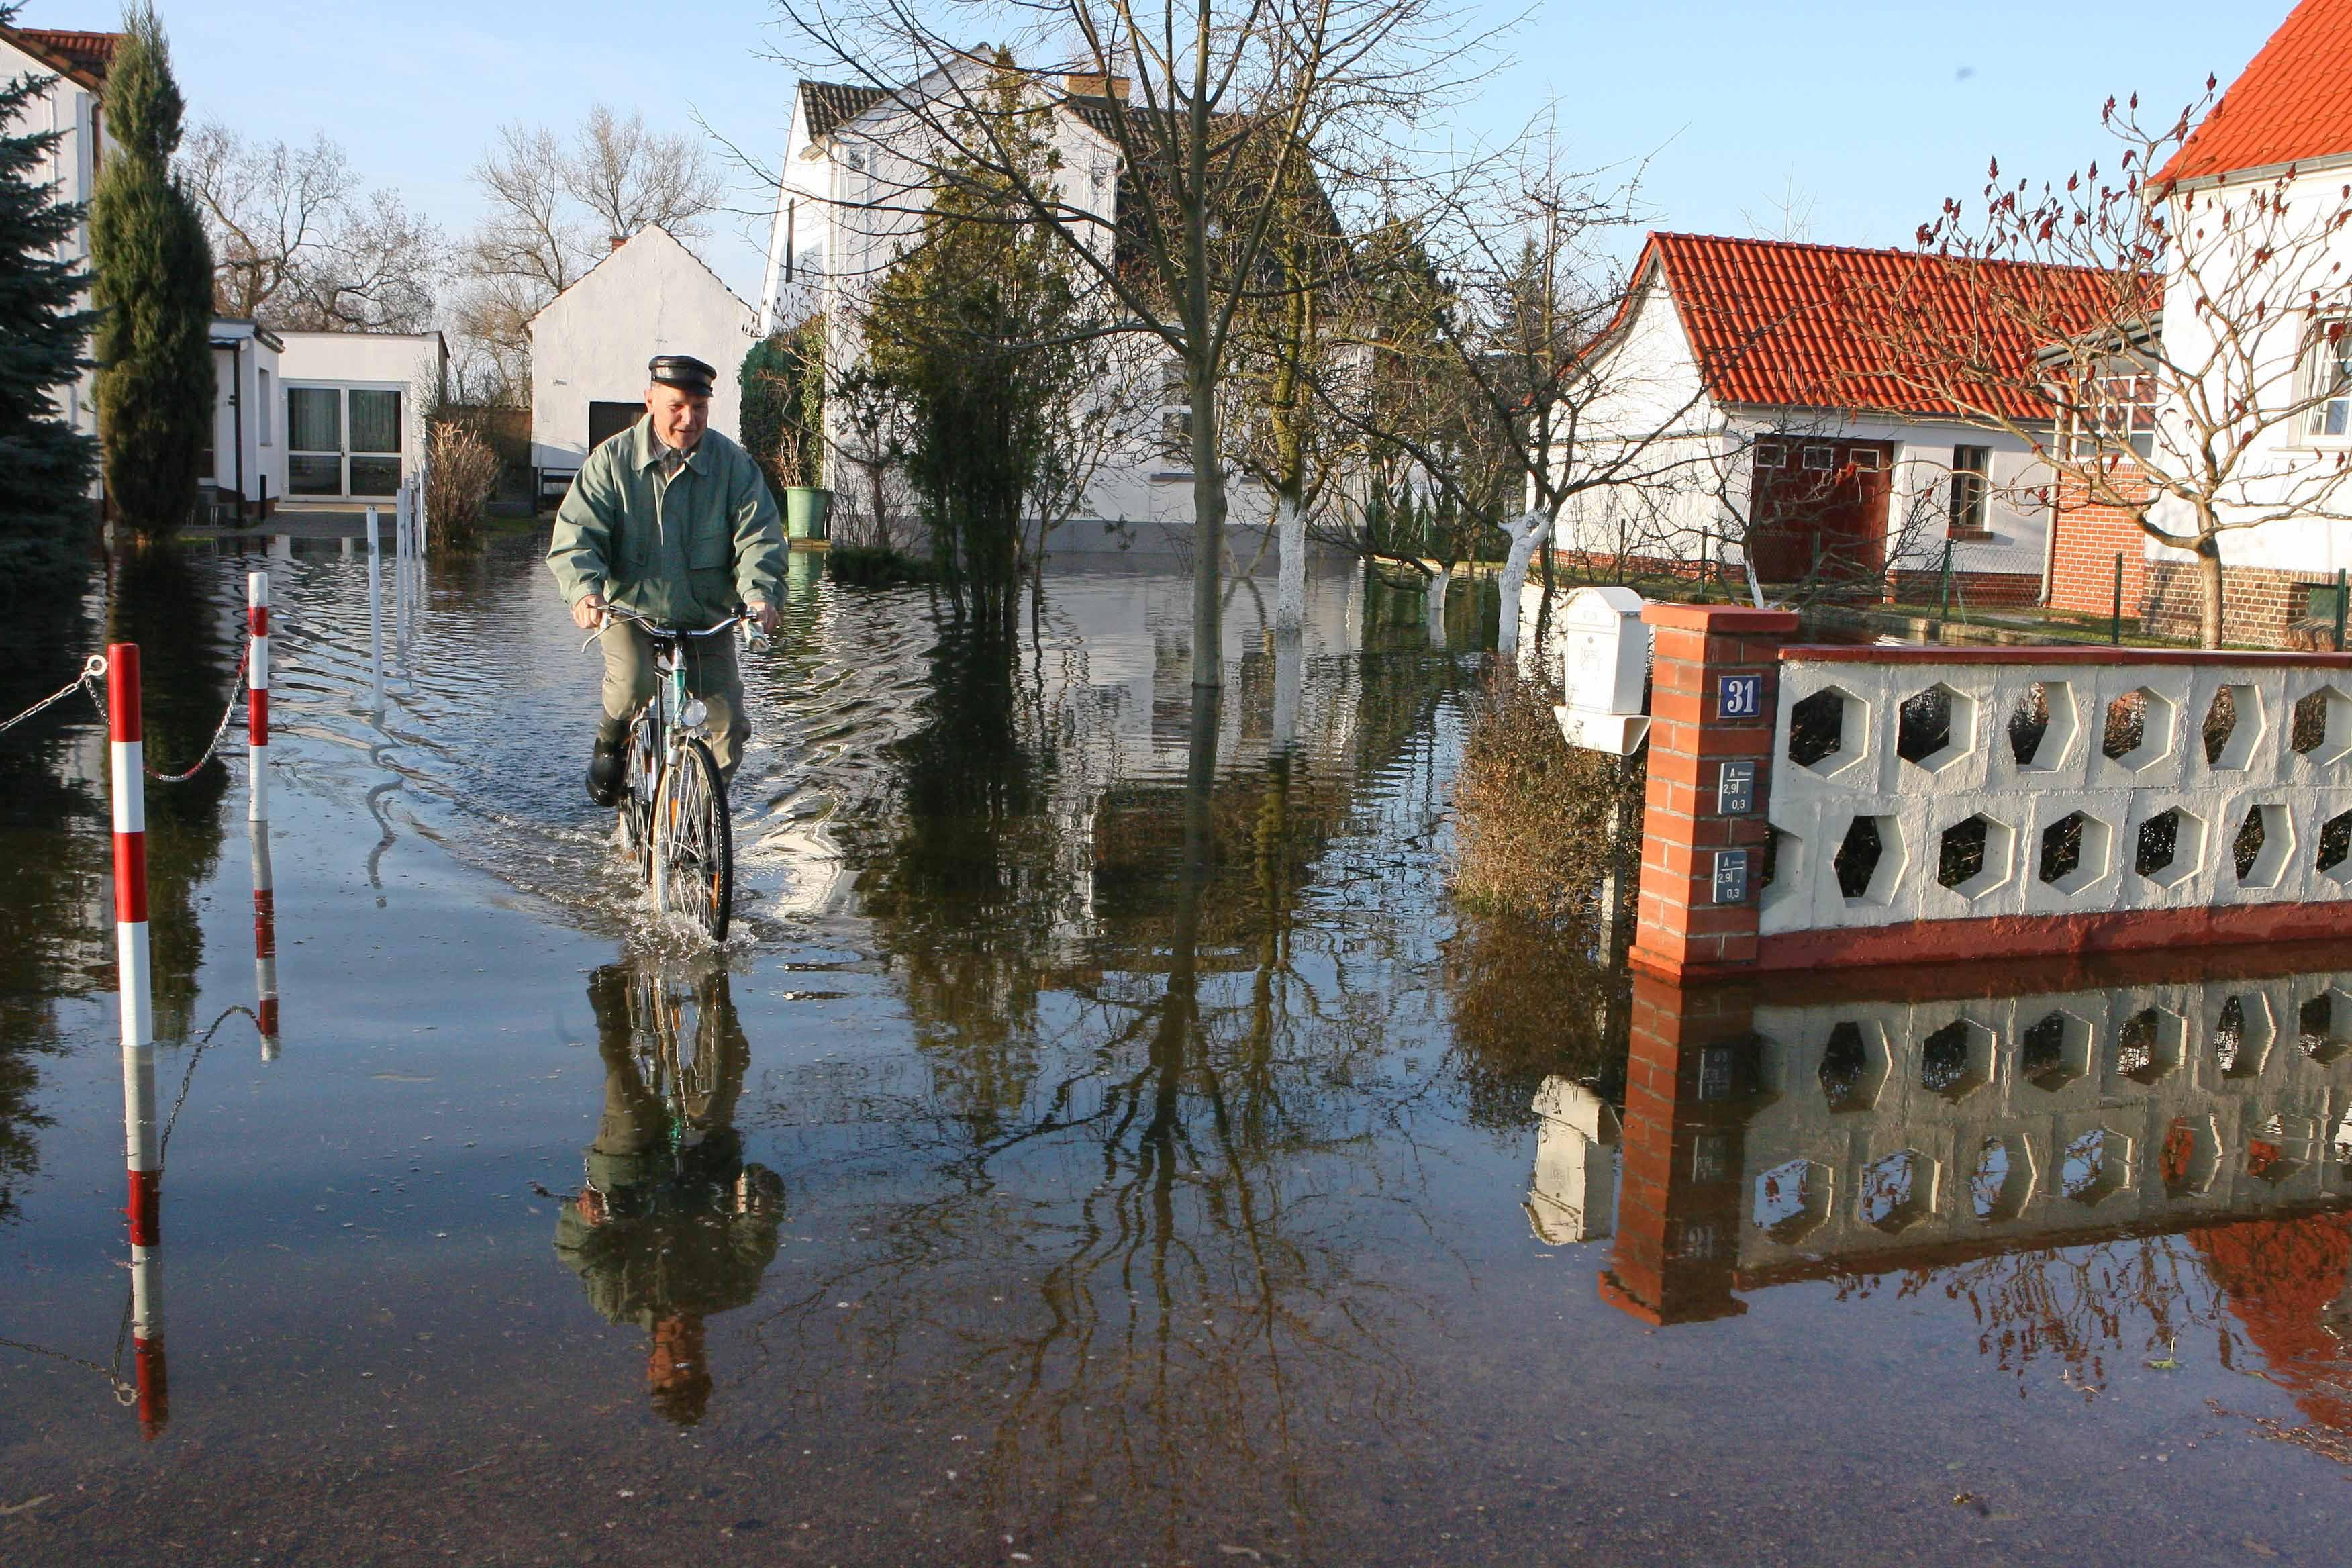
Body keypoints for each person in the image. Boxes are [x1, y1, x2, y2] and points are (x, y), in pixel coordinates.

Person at [546, 354, 787, 805]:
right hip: (629, 612)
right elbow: (577, 538)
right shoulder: (610, 464)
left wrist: (759, 596)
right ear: (650, 400)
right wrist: (586, 592)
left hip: (705, 616)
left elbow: (761, 539)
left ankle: (700, 818)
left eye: (699, 408)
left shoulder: (732, 466)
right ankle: (613, 741)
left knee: (728, 724)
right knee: (634, 684)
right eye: (677, 405)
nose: (688, 418)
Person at [553, 963, 785, 1426]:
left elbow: (577, 1250)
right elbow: (762, 1227)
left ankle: (611, 1007)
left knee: (624, 1093)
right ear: (704, 1362)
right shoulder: (733, 1287)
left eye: (669, 1371)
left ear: (651, 1367)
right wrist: (758, 1197)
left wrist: (589, 1216)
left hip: (628, 1170)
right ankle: (715, 982)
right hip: (706, 1162)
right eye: (690, 1367)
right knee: (721, 1075)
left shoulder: (618, 1301)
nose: (680, 1358)